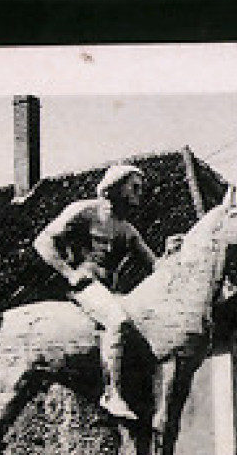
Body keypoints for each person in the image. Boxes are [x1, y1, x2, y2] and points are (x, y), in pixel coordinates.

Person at [33, 162, 160, 421]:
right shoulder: (84, 211)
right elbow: (42, 241)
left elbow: (155, 265)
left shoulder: (127, 229)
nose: (139, 193)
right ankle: (111, 393)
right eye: (134, 187)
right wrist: (69, 273)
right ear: (116, 187)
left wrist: (177, 254)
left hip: (110, 291)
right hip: (86, 287)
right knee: (118, 321)